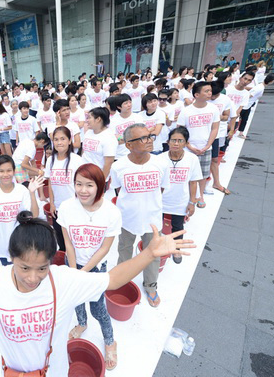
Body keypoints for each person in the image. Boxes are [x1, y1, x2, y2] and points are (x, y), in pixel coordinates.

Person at [0, 210, 194, 376]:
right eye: (24, 268)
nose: (33, 278)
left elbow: (112, 280)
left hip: (56, 370)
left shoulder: (64, 280)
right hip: (12, 371)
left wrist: (149, 254)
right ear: (11, 259)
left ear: (51, 262)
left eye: (41, 268)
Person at [58, 164, 120, 370]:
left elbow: (105, 249)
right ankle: (82, 324)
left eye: (89, 185)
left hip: (95, 268)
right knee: (76, 300)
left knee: (98, 308)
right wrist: (74, 271)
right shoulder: (66, 207)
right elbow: (68, 243)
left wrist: (82, 274)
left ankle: (110, 341)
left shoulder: (111, 212)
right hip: (74, 263)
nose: (83, 190)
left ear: (100, 186)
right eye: (78, 184)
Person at [110, 124, 169, 307]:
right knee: (125, 250)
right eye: (143, 138)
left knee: (153, 254)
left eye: (150, 136)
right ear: (128, 145)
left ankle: (151, 286)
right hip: (127, 218)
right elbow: (119, 190)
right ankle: (122, 280)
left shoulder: (160, 163)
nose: (149, 141)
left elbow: (161, 188)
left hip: (153, 218)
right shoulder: (119, 166)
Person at [0, 155, 43, 265]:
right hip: (2, 245)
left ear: (14, 171)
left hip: (22, 243)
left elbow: (35, 215)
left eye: (9, 170)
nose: (5, 175)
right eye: (2, 171)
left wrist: (32, 193)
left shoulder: (22, 190)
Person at [159, 127, 202, 264]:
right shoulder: (159, 159)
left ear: (185, 143)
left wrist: (192, 202)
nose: (176, 143)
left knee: (178, 227)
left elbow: (193, 182)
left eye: (180, 141)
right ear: (168, 141)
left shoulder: (192, 159)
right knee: (156, 227)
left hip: (180, 202)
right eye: (173, 140)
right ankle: (157, 249)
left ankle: (176, 250)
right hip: (160, 201)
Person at [176, 82, 220, 208]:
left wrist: (207, 146)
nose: (210, 93)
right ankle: (188, 197)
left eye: (210, 90)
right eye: (206, 91)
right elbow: (180, 131)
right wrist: (189, 146)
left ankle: (200, 195)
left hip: (205, 148)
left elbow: (214, 129)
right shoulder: (186, 111)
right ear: (196, 94)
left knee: (203, 175)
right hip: (188, 149)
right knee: (187, 175)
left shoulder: (213, 109)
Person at [45, 127, 85, 251]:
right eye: (56, 139)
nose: (59, 142)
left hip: (75, 208)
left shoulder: (77, 160)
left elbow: (84, 184)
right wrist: (52, 203)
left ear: (69, 141)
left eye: (63, 139)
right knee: (61, 242)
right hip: (58, 209)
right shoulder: (50, 160)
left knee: (75, 242)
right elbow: (51, 183)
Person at [82, 107, 118, 182]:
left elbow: (108, 163)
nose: (87, 120)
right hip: (84, 174)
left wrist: (101, 181)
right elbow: (84, 152)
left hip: (97, 177)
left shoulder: (108, 137)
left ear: (98, 119)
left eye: (89, 118)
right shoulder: (88, 132)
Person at [108, 94, 143, 160]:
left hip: (135, 154)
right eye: (125, 103)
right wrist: (130, 138)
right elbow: (113, 139)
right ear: (119, 107)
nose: (129, 105)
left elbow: (140, 135)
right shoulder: (113, 121)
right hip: (119, 156)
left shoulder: (138, 118)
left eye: (130, 102)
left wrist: (122, 138)